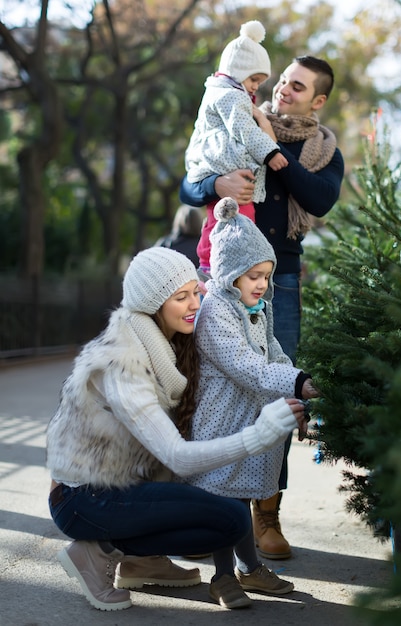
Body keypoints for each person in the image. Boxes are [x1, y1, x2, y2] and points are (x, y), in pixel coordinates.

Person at [46, 246, 307, 612]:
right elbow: (176, 456)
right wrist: (258, 435)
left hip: (127, 483)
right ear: (153, 304)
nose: (195, 305)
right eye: (181, 297)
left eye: (195, 293)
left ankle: (141, 560)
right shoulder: (124, 363)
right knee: (228, 519)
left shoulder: (167, 347)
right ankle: (96, 552)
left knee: (212, 507)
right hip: (84, 499)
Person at [180, 55, 345, 559]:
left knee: (276, 384)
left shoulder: (322, 150)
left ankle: (266, 516)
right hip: (217, 276)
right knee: (206, 383)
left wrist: (272, 150)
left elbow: (319, 200)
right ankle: (197, 499)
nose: (283, 91)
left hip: (281, 283)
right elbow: (188, 181)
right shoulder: (234, 118)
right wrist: (218, 185)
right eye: (282, 81)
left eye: (297, 87)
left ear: (317, 100)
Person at [185, 197, 319, 609]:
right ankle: (223, 576)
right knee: (225, 499)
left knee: (241, 496)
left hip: (250, 417)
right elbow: (247, 367)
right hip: (223, 421)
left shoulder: (256, 310)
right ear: (228, 276)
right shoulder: (216, 313)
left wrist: (297, 382)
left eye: (265, 275)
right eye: (252, 276)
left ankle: (249, 567)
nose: (261, 284)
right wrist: (295, 381)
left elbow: (273, 355)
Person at [185, 20, 288, 278]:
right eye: (254, 79)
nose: (256, 86)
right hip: (225, 169)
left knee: (225, 217)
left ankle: (220, 263)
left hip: (225, 171)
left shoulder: (223, 92)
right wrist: (271, 152)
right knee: (235, 219)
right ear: (238, 70)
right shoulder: (230, 95)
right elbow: (245, 130)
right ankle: (214, 264)